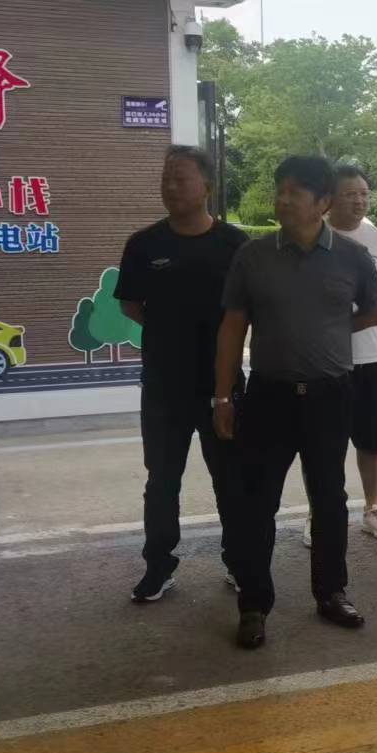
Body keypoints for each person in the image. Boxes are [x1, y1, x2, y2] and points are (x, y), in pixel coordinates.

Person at [213, 155, 377, 650]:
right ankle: (253, 604)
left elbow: (375, 310)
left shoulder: (353, 256)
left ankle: (331, 593)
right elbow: (232, 327)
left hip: (330, 395)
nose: (283, 199)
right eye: (280, 190)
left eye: (295, 192)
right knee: (257, 501)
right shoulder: (253, 256)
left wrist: (329, 330)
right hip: (269, 395)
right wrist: (222, 395)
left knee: (329, 498)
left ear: (323, 202)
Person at [115, 145, 249, 603]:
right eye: (165, 179)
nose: (170, 187)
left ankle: (239, 562)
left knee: (231, 480)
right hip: (163, 386)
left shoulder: (235, 244)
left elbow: (248, 311)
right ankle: (159, 566)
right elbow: (131, 305)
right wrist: (170, 333)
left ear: (206, 185)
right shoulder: (143, 244)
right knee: (161, 480)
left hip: (222, 385)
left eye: (180, 178)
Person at [323, 165, 377, 543]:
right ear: (329, 198)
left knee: (373, 439)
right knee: (324, 442)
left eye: (364, 194)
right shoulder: (314, 236)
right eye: (350, 193)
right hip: (323, 358)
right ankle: (320, 512)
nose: (359, 201)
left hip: (371, 356)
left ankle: (373, 509)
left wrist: (362, 307)